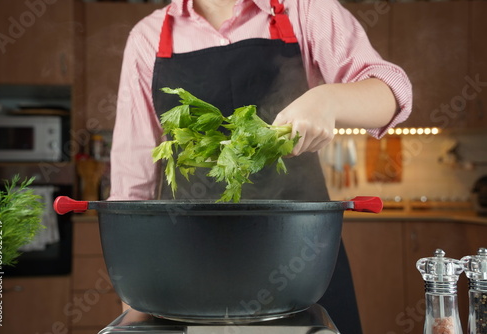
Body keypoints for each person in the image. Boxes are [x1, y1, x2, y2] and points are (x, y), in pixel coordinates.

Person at [108, 0, 413, 332]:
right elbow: (130, 192)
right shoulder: (147, 36)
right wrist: (133, 305)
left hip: (304, 261)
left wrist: (330, 99)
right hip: (186, 270)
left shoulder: (305, 9)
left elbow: (392, 92)